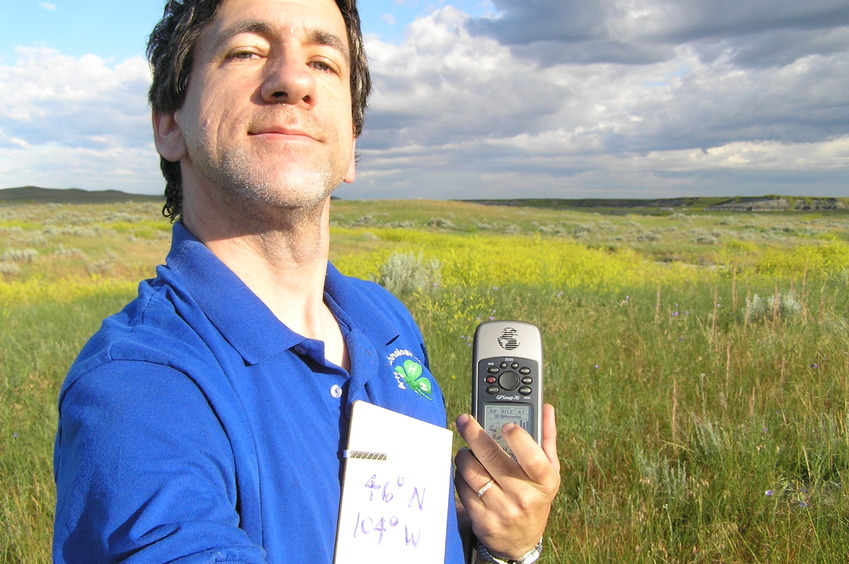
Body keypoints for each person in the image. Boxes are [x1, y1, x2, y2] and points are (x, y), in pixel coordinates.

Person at [52, 0, 561, 562]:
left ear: (352, 146)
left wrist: (505, 546)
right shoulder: (141, 387)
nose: (293, 79)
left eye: (324, 62)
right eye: (246, 51)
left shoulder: (384, 322)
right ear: (170, 125)